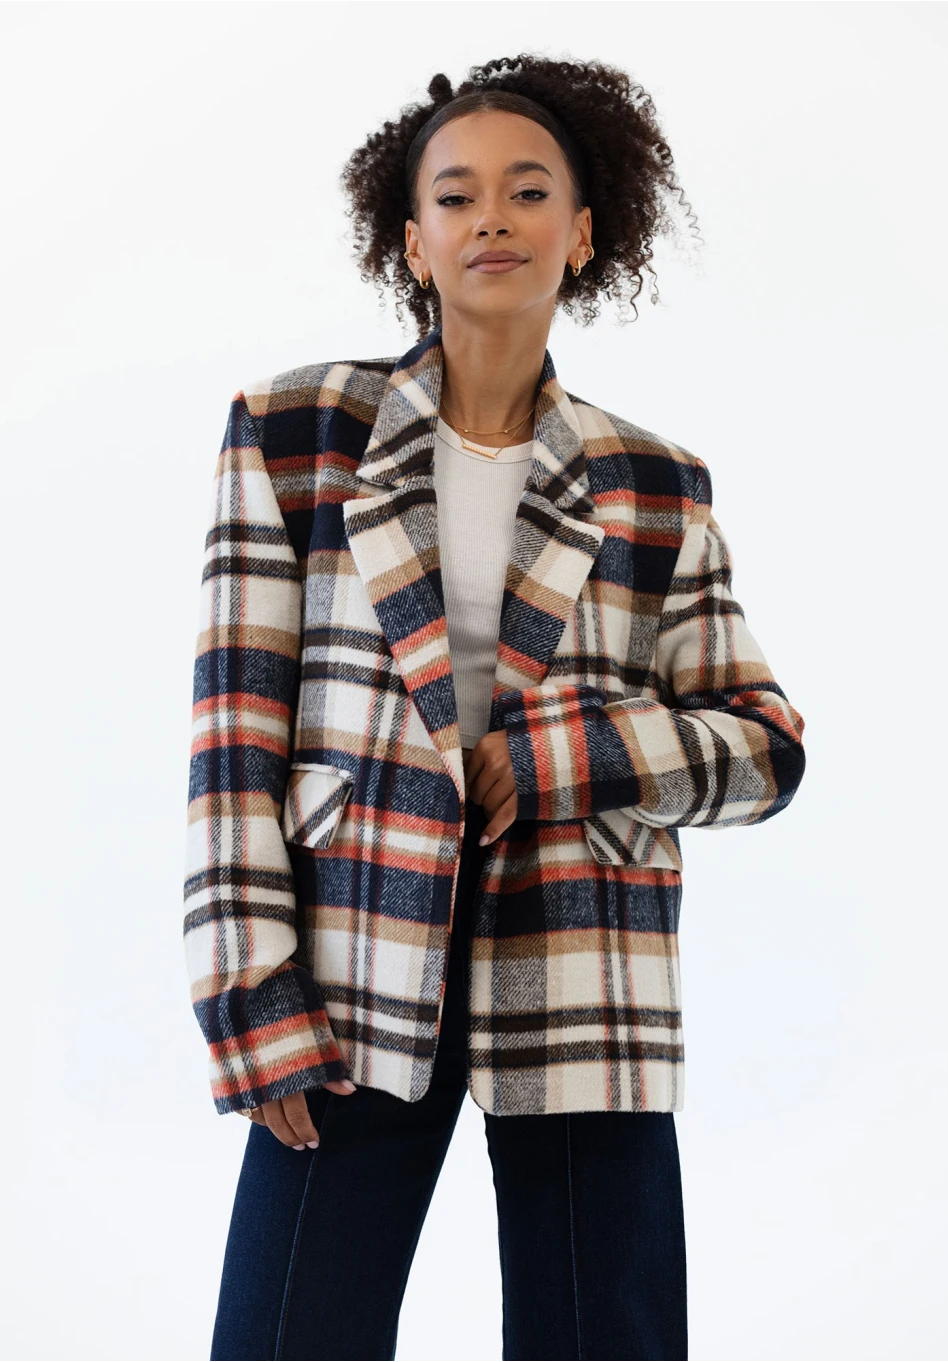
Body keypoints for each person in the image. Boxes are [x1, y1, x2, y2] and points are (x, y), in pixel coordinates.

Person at [183, 55, 806, 1362]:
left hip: (584, 950)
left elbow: (766, 747)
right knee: (284, 1335)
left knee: (608, 1338)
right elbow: (235, 737)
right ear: (412, 240)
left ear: (582, 233)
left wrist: (574, 752)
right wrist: (250, 987)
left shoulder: (653, 482)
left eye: (529, 192)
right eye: (456, 195)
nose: (492, 220)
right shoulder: (296, 432)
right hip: (350, 953)